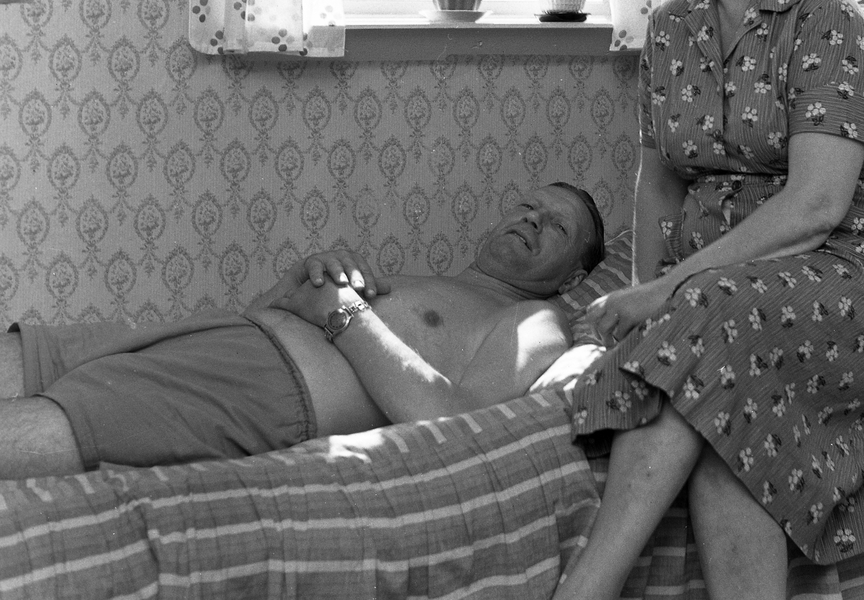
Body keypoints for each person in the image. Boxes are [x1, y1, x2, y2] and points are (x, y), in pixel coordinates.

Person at [554, 0, 864, 600]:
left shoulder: (828, 19)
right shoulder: (669, 29)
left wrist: (668, 292)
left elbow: (816, 207)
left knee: (708, 317)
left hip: (849, 272)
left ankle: (586, 588)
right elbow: (659, 180)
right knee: (727, 411)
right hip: (725, 285)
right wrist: (648, 290)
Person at [0, 181, 604, 480]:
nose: (533, 220)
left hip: (263, 390)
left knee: (44, 424)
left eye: (557, 226)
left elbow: (458, 425)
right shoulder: (442, 283)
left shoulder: (536, 319)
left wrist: (343, 313)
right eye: (528, 207)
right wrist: (295, 287)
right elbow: (277, 316)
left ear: (575, 274)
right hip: (225, 338)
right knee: (24, 352)